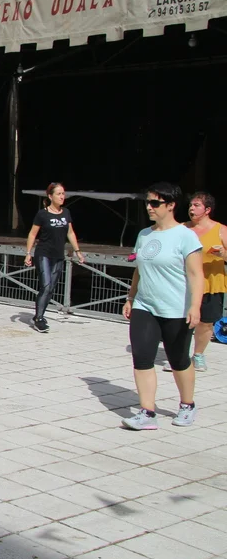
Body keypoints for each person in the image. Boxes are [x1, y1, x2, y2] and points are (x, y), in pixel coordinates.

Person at [121, 183, 203, 430]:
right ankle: (147, 412)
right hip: (145, 305)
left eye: (155, 203)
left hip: (176, 308)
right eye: (147, 202)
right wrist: (131, 297)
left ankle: (187, 404)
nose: (149, 207)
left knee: (178, 359)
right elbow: (139, 270)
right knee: (141, 356)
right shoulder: (144, 235)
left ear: (171, 205)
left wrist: (195, 306)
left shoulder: (185, 236)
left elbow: (196, 275)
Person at [24, 182, 86, 333]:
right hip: (43, 253)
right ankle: (39, 319)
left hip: (58, 255)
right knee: (45, 285)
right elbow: (32, 234)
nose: (62, 196)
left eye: (63, 193)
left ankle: (39, 314)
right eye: (58, 194)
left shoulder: (66, 212)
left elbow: (70, 232)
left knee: (51, 287)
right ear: (50, 196)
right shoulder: (42, 214)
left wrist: (77, 251)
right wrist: (28, 253)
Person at [184, 191, 227, 373]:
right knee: (181, 321)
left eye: (196, 205)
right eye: (190, 205)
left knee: (206, 323)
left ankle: (198, 354)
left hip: (211, 283)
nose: (191, 208)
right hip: (185, 284)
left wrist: (223, 254)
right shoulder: (182, 229)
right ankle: (179, 357)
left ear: (207, 210)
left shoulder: (221, 230)